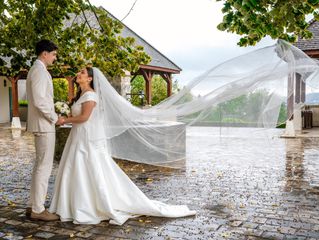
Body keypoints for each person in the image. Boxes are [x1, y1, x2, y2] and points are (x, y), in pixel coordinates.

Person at [49, 67, 196, 225]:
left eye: (83, 73)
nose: (79, 74)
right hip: (79, 136)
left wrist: (64, 120)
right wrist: (65, 115)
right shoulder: (82, 95)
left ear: (90, 79)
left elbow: (84, 117)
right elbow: (78, 116)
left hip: (86, 138)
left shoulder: (91, 95)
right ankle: (73, 203)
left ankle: (87, 205)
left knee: (88, 167)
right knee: (77, 168)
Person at [26, 39, 64, 221]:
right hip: (44, 125)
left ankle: (33, 205)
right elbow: (40, 100)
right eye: (54, 54)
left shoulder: (37, 70)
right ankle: (38, 210)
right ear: (44, 54)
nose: (55, 58)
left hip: (42, 125)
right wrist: (55, 118)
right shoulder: (40, 71)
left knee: (39, 166)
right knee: (44, 167)